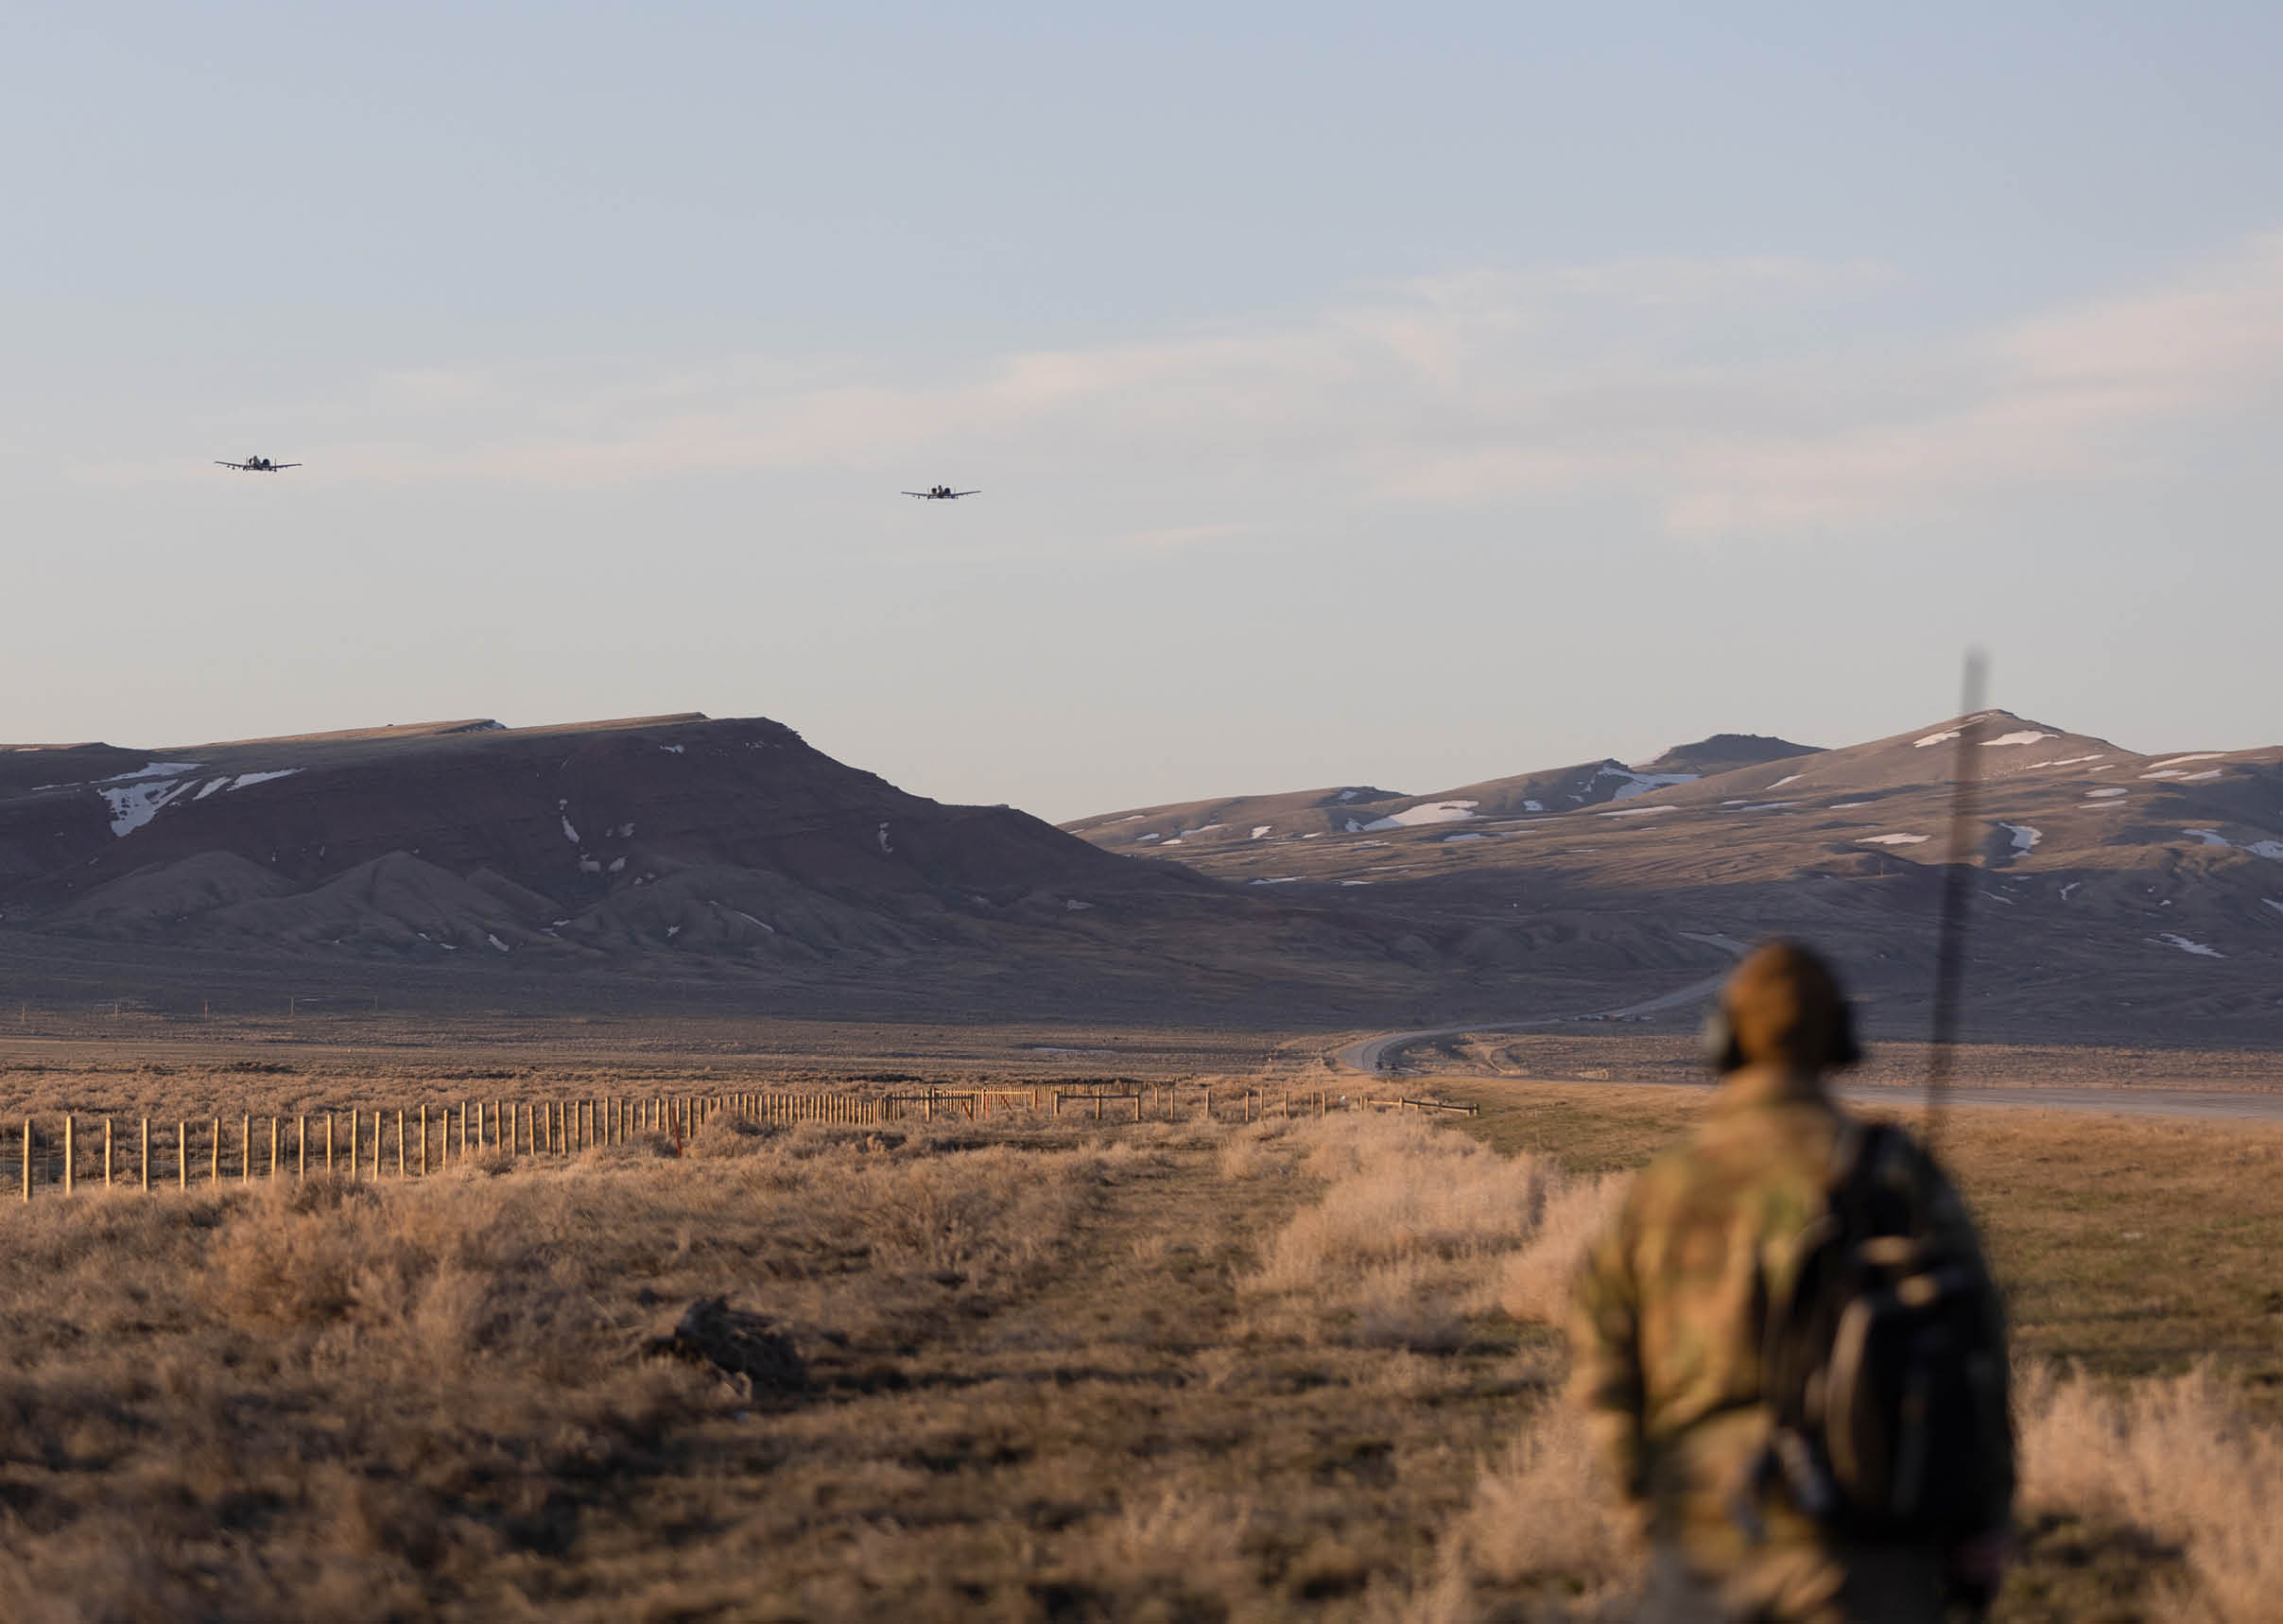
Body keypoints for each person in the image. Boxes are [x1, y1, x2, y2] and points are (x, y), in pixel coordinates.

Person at [1569, 941, 2014, 1622]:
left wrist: (1642, 1512)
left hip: (1701, 1539)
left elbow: (1604, 1369)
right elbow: (1975, 1351)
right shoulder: (1892, 1175)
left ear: (1722, 1039)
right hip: (1859, 1541)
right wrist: (1980, 1521)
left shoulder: (1662, 1189)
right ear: (1840, 1039)